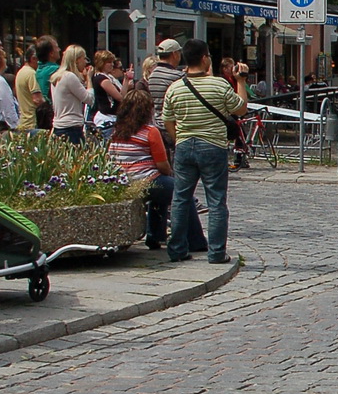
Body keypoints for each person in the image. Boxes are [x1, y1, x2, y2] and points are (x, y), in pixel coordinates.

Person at [161, 38, 242, 265]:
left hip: (185, 146)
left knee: (180, 198)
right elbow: (241, 108)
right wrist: (241, 82)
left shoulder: (175, 88)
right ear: (206, 58)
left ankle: (177, 249)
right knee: (216, 200)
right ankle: (216, 253)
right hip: (213, 146)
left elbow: (167, 120)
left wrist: (179, 139)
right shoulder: (219, 85)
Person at [108, 89, 176, 250]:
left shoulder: (117, 132)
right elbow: (162, 165)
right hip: (145, 180)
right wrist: (170, 174)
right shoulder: (150, 132)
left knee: (161, 191)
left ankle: (156, 235)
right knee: (179, 191)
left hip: (124, 181)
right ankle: (192, 238)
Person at [48, 43, 94, 143]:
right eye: (84, 58)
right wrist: (89, 79)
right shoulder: (69, 77)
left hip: (59, 126)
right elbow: (89, 99)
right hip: (71, 128)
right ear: (77, 60)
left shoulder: (57, 76)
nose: (86, 62)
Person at [89, 50, 128, 139]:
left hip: (115, 117)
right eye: (108, 62)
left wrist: (126, 79)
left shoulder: (110, 78)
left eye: (112, 62)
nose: (112, 65)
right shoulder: (101, 78)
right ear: (101, 63)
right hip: (107, 118)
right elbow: (119, 97)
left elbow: (123, 95)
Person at [147, 39, 184, 128]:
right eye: (179, 52)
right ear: (174, 54)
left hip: (156, 124)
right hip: (172, 125)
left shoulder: (153, 74)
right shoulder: (178, 76)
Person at [32, 37, 61, 130]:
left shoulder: (38, 70)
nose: (59, 49)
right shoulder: (56, 71)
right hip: (52, 114)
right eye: (57, 47)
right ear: (51, 53)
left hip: (41, 114)